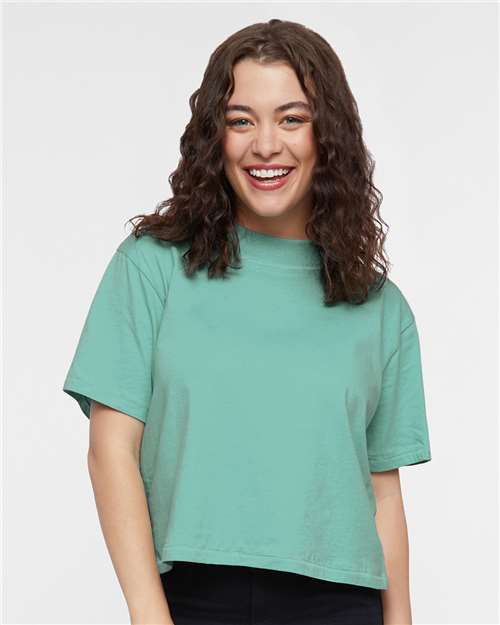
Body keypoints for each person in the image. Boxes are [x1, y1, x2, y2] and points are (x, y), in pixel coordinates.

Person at [62, 18, 432, 625]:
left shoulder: (379, 307)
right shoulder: (152, 268)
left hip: (340, 605)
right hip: (192, 598)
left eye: (292, 118)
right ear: (215, 137)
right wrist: (149, 614)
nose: (265, 145)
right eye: (241, 121)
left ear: (328, 135)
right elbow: (110, 451)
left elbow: (382, 494)